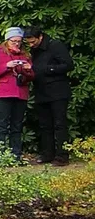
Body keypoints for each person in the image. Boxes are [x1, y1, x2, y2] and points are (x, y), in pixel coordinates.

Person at [24, 25, 74, 165]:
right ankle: (47, 154)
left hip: (58, 90)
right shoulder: (34, 50)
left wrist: (45, 69)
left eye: (33, 41)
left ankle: (62, 155)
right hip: (41, 91)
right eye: (28, 43)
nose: (31, 45)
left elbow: (68, 65)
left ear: (40, 36)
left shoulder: (55, 45)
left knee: (59, 124)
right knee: (45, 125)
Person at [0, 27, 34, 160]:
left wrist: (28, 70)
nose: (17, 44)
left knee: (17, 126)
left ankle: (16, 156)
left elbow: (32, 77)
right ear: (7, 40)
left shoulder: (25, 55)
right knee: (2, 125)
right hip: (4, 93)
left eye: (19, 41)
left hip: (21, 93)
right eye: (14, 41)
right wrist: (7, 66)